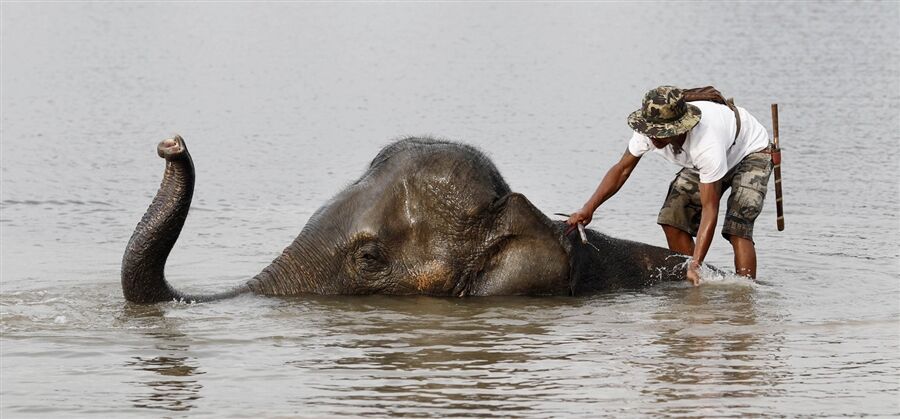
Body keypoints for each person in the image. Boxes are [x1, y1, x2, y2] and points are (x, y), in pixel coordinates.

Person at [566, 85, 772, 285]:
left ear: (679, 129)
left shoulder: (705, 143)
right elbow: (622, 170)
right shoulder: (648, 130)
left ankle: (745, 293)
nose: (653, 136)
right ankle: (697, 281)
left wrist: (697, 262)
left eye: (660, 132)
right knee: (672, 218)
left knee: (737, 225)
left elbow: (710, 209)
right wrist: (588, 208)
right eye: (650, 130)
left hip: (750, 151)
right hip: (714, 158)